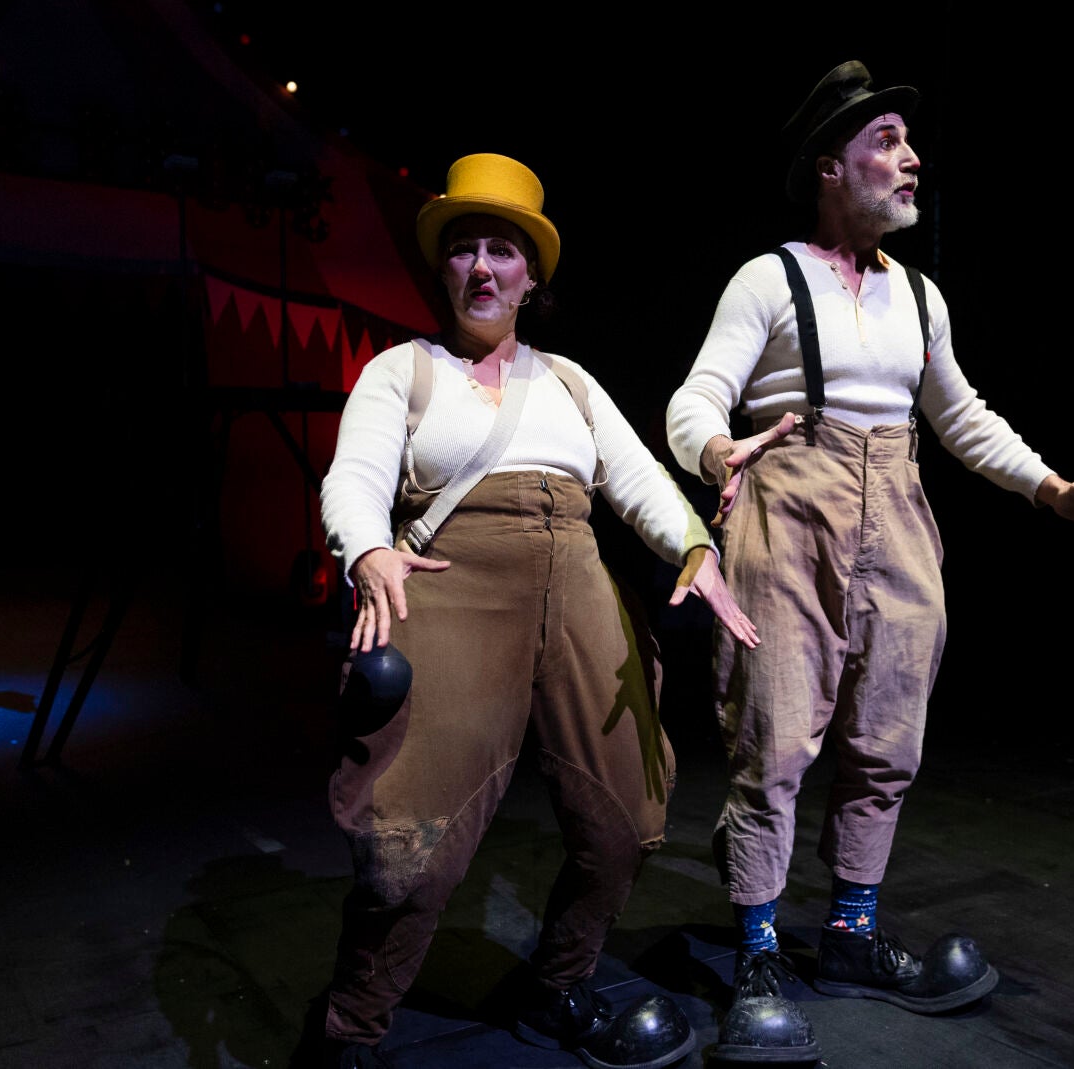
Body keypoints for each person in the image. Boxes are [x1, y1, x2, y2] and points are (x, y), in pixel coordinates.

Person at [664, 61, 1074, 1060]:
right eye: (886, 142)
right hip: (790, 508)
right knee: (776, 738)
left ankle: (850, 934)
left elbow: (960, 415)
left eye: (908, 142)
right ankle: (757, 951)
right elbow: (695, 398)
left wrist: (1052, 490)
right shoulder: (769, 279)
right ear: (830, 166)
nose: (911, 160)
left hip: (895, 510)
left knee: (887, 736)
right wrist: (718, 449)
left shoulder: (920, 296)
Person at [310, 153, 757, 1069]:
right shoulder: (403, 371)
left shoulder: (571, 382)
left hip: (578, 581)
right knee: (413, 842)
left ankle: (557, 985)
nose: (482, 267)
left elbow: (636, 478)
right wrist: (367, 548)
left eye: (502, 251)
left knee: (626, 816)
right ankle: (350, 1030)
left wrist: (695, 546)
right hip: (453, 582)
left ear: (531, 276)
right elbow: (353, 476)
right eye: (464, 249)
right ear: (444, 269)